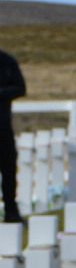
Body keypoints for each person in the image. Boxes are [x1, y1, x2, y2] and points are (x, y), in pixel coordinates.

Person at [0, 48, 24, 223]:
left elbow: (20, 88)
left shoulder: (7, 62)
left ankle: (11, 210)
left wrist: (1, 94)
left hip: (2, 126)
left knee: (8, 168)